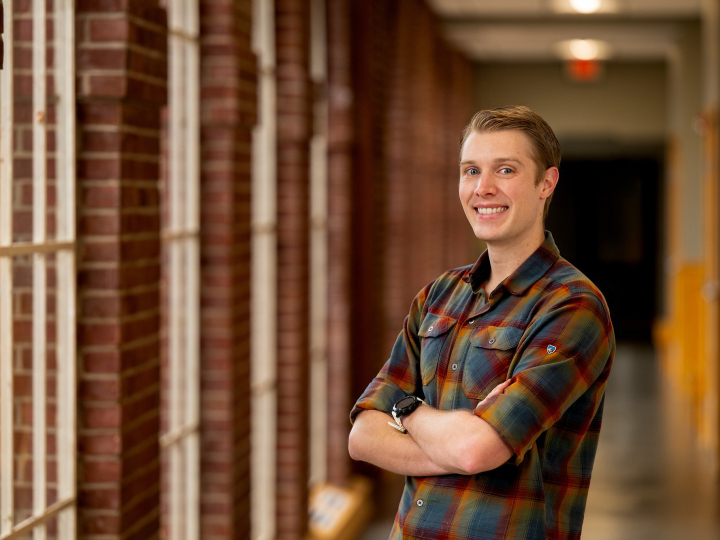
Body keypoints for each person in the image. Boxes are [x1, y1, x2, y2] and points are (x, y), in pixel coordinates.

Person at [348, 105, 615, 540]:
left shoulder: (572, 306)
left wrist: (406, 409)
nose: (483, 188)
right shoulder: (439, 296)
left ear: (546, 183)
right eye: (471, 171)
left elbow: (476, 450)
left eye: (505, 170)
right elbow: (362, 437)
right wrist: (457, 438)